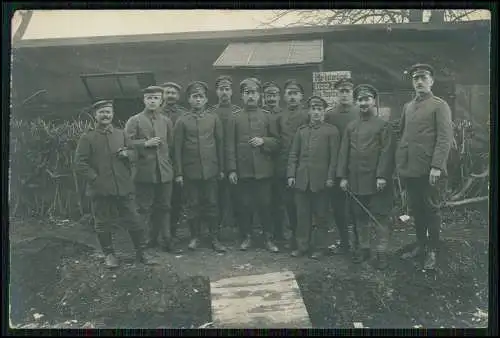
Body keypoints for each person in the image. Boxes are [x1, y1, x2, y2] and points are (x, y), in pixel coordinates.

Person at [75, 100, 153, 268]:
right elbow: (80, 163)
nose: (106, 115)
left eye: (108, 112)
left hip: (123, 186)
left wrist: (128, 154)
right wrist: (96, 179)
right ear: (95, 115)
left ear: (112, 114)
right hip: (100, 189)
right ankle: (109, 254)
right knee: (103, 222)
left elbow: (134, 153)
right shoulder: (88, 137)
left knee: (134, 218)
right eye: (102, 112)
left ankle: (141, 252)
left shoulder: (121, 134)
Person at [396, 64, 453, 270]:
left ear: (431, 81)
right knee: (417, 210)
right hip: (411, 169)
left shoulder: (440, 105)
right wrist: (401, 164)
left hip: (430, 171)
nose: (419, 82)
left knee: (431, 210)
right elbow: (402, 136)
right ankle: (420, 245)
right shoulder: (407, 107)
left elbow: (445, 138)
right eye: (415, 78)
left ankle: (433, 251)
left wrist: (437, 166)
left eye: (423, 77)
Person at [337, 84, 395, 269]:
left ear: (374, 101)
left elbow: (387, 152)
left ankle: (381, 252)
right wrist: (343, 177)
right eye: (360, 100)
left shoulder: (383, 125)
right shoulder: (351, 126)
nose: (363, 103)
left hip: (377, 181)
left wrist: (382, 176)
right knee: (359, 216)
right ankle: (364, 249)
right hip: (355, 180)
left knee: (380, 216)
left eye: (367, 99)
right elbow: (343, 152)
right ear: (356, 102)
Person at [226, 77, 280, 253]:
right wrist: (232, 169)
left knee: (266, 205)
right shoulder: (234, 118)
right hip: (243, 171)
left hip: (264, 171)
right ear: (241, 96)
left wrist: (263, 140)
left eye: (254, 93)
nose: (251, 96)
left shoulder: (267, 116)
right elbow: (230, 146)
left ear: (259, 95)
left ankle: (268, 238)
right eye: (247, 93)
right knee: (245, 206)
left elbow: (277, 142)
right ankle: (247, 237)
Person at [124, 86, 181, 254]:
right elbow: (126, 143)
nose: (152, 101)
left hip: (164, 172)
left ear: (161, 100)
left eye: (156, 98)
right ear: (144, 100)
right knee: (144, 208)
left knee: (164, 206)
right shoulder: (134, 120)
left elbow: (170, 147)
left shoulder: (166, 121)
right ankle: (144, 240)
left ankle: (166, 239)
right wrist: (144, 144)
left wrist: (174, 170)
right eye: (149, 98)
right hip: (144, 172)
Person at [174, 81, 227, 253]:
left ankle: (214, 237)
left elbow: (220, 144)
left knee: (212, 203)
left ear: (206, 100)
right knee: (193, 204)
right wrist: (179, 173)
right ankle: (195, 237)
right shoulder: (182, 121)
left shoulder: (213, 118)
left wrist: (220, 169)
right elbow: (177, 149)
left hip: (211, 170)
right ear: (189, 100)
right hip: (190, 171)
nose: (198, 100)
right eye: (194, 97)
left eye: (201, 97)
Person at [287, 95, 340, 259]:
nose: (316, 113)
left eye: (319, 109)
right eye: (313, 109)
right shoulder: (301, 131)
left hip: (321, 181)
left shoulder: (331, 131)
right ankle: (302, 246)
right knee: (302, 215)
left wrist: (331, 177)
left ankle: (320, 247)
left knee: (321, 216)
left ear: (324, 112)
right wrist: (291, 174)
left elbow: (334, 158)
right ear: (308, 111)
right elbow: (293, 155)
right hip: (302, 180)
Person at [324, 78, 360, 256]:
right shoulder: (329, 115)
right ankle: (344, 242)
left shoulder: (359, 112)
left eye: (347, 90)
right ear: (336, 93)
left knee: (357, 207)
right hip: (337, 168)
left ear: (352, 93)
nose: (344, 94)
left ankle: (360, 243)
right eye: (341, 91)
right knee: (338, 208)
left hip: (357, 168)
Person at [275, 79, 310, 250]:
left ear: (302, 96)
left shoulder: (308, 115)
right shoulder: (279, 117)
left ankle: (305, 238)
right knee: (289, 204)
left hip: (304, 166)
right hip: (284, 166)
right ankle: (294, 237)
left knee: (303, 204)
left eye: (295, 93)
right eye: (289, 93)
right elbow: (276, 141)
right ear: (284, 96)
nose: (292, 97)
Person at [206, 75, 241, 230]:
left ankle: (235, 226)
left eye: (227, 89)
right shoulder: (210, 112)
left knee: (237, 195)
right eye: (221, 89)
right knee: (216, 195)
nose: (224, 92)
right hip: (215, 158)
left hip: (236, 158)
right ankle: (217, 226)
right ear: (217, 92)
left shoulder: (238, 112)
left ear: (232, 92)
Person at [159, 82, 189, 242]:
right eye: (167, 92)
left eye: (174, 93)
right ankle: (157, 233)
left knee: (176, 199)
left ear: (178, 96)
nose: (170, 95)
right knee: (160, 200)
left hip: (178, 162)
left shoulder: (184, 114)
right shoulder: (155, 112)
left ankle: (172, 231)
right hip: (159, 162)